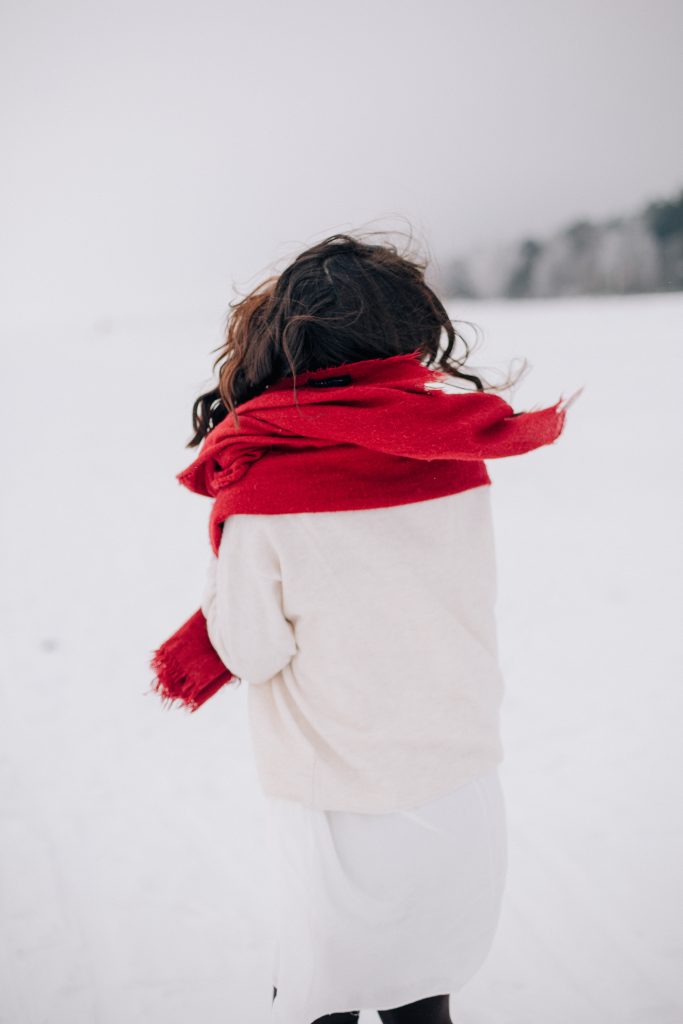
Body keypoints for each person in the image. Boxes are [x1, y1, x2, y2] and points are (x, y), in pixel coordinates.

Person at [187, 231, 569, 1023]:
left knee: (317, 997)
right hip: (458, 778)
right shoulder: (455, 459)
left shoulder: (265, 496)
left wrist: (226, 561)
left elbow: (252, 652)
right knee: (421, 1001)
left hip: (338, 802)